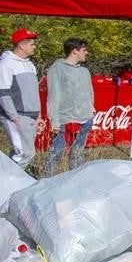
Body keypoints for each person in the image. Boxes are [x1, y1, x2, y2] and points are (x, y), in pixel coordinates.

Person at [43, 37, 95, 175]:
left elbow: (90, 92)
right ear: (74, 51)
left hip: (85, 118)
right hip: (64, 118)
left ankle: (75, 178)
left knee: (78, 152)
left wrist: (91, 108)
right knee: (57, 151)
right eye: (84, 50)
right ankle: (46, 180)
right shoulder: (57, 69)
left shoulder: (84, 71)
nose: (87, 53)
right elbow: (53, 95)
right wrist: (54, 120)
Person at [0, 28, 42, 169]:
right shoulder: (6, 64)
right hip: (17, 116)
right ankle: (10, 186)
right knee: (24, 154)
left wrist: (38, 115)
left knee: (22, 153)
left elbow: (34, 92)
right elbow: (3, 93)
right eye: (32, 44)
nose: (34, 46)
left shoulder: (30, 64)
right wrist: (14, 118)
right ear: (21, 45)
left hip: (30, 116)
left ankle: (13, 185)